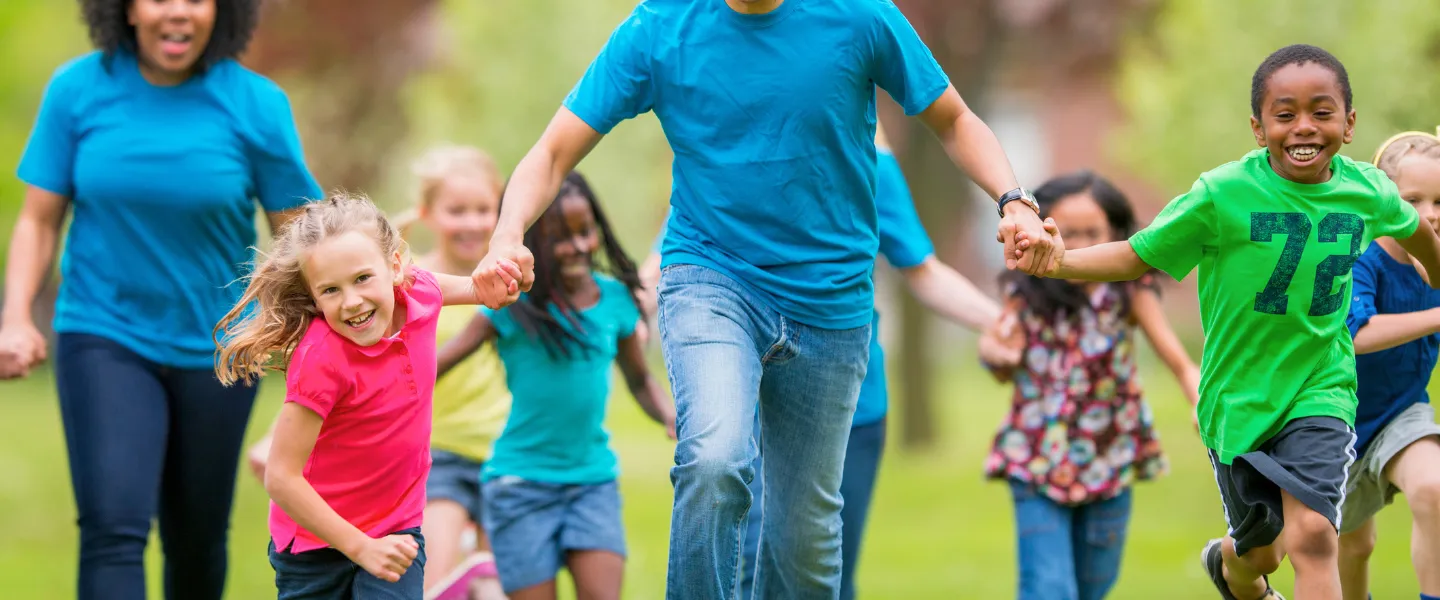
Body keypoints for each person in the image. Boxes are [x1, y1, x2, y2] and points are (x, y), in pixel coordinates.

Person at [467, 2, 1053, 597]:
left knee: (805, 533)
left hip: (829, 301)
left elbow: (953, 120)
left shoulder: (859, 17)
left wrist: (1014, 200)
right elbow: (552, 152)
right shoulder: (660, 27)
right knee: (714, 457)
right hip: (710, 277)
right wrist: (507, 234)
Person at [1012, 44, 1440, 600]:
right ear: (1259, 128)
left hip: (1321, 389)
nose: (1304, 128)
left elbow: (1413, 228)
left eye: (1322, 112)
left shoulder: (1367, 190)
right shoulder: (1222, 194)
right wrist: (1059, 259)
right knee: (1263, 547)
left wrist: (1435, 271)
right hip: (1237, 399)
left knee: (1313, 536)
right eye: (1285, 115)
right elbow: (1137, 255)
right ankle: (1234, 570)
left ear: (1350, 124)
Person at [0, 1, 321, 598]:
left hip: (222, 349)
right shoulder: (77, 90)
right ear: (124, 8)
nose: (178, 12)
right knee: (112, 528)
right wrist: (15, 316)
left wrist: (343, 316)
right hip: (105, 332)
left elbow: (301, 237)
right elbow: (39, 222)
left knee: (196, 538)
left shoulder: (255, 103)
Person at [212, 193, 503, 600]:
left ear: (397, 267)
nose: (352, 302)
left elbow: (477, 287)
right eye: (330, 290)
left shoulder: (419, 292)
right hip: (317, 549)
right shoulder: (322, 358)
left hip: (395, 529)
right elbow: (281, 476)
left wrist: (499, 282)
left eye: (363, 278)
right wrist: (359, 547)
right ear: (314, 297)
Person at [436, 172, 676, 600]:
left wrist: (670, 415)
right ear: (531, 245)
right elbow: (440, 363)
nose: (579, 247)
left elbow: (640, 380)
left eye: (586, 232)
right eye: (562, 238)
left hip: (592, 482)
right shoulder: (511, 307)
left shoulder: (616, 301)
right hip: (519, 485)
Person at [979, 170, 1200, 600]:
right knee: (1049, 590)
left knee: (1093, 588)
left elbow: (1177, 358)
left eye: (1092, 233)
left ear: (1116, 234)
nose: (1077, 245)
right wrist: (996, 355)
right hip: (1037, 461)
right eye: (1067, 232)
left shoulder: (1129, 292)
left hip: (1110, 458)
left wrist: (1200, 400)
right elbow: (1002, 364)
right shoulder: (1025, 293)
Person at [1336, 129, 1440, 600]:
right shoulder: (1362, 257)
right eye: (1413, 200)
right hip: (1334, 423)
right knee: (1354, 545)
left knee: (1433, 487)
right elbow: (1356, 336)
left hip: (1403, 413)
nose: (1430, 215)